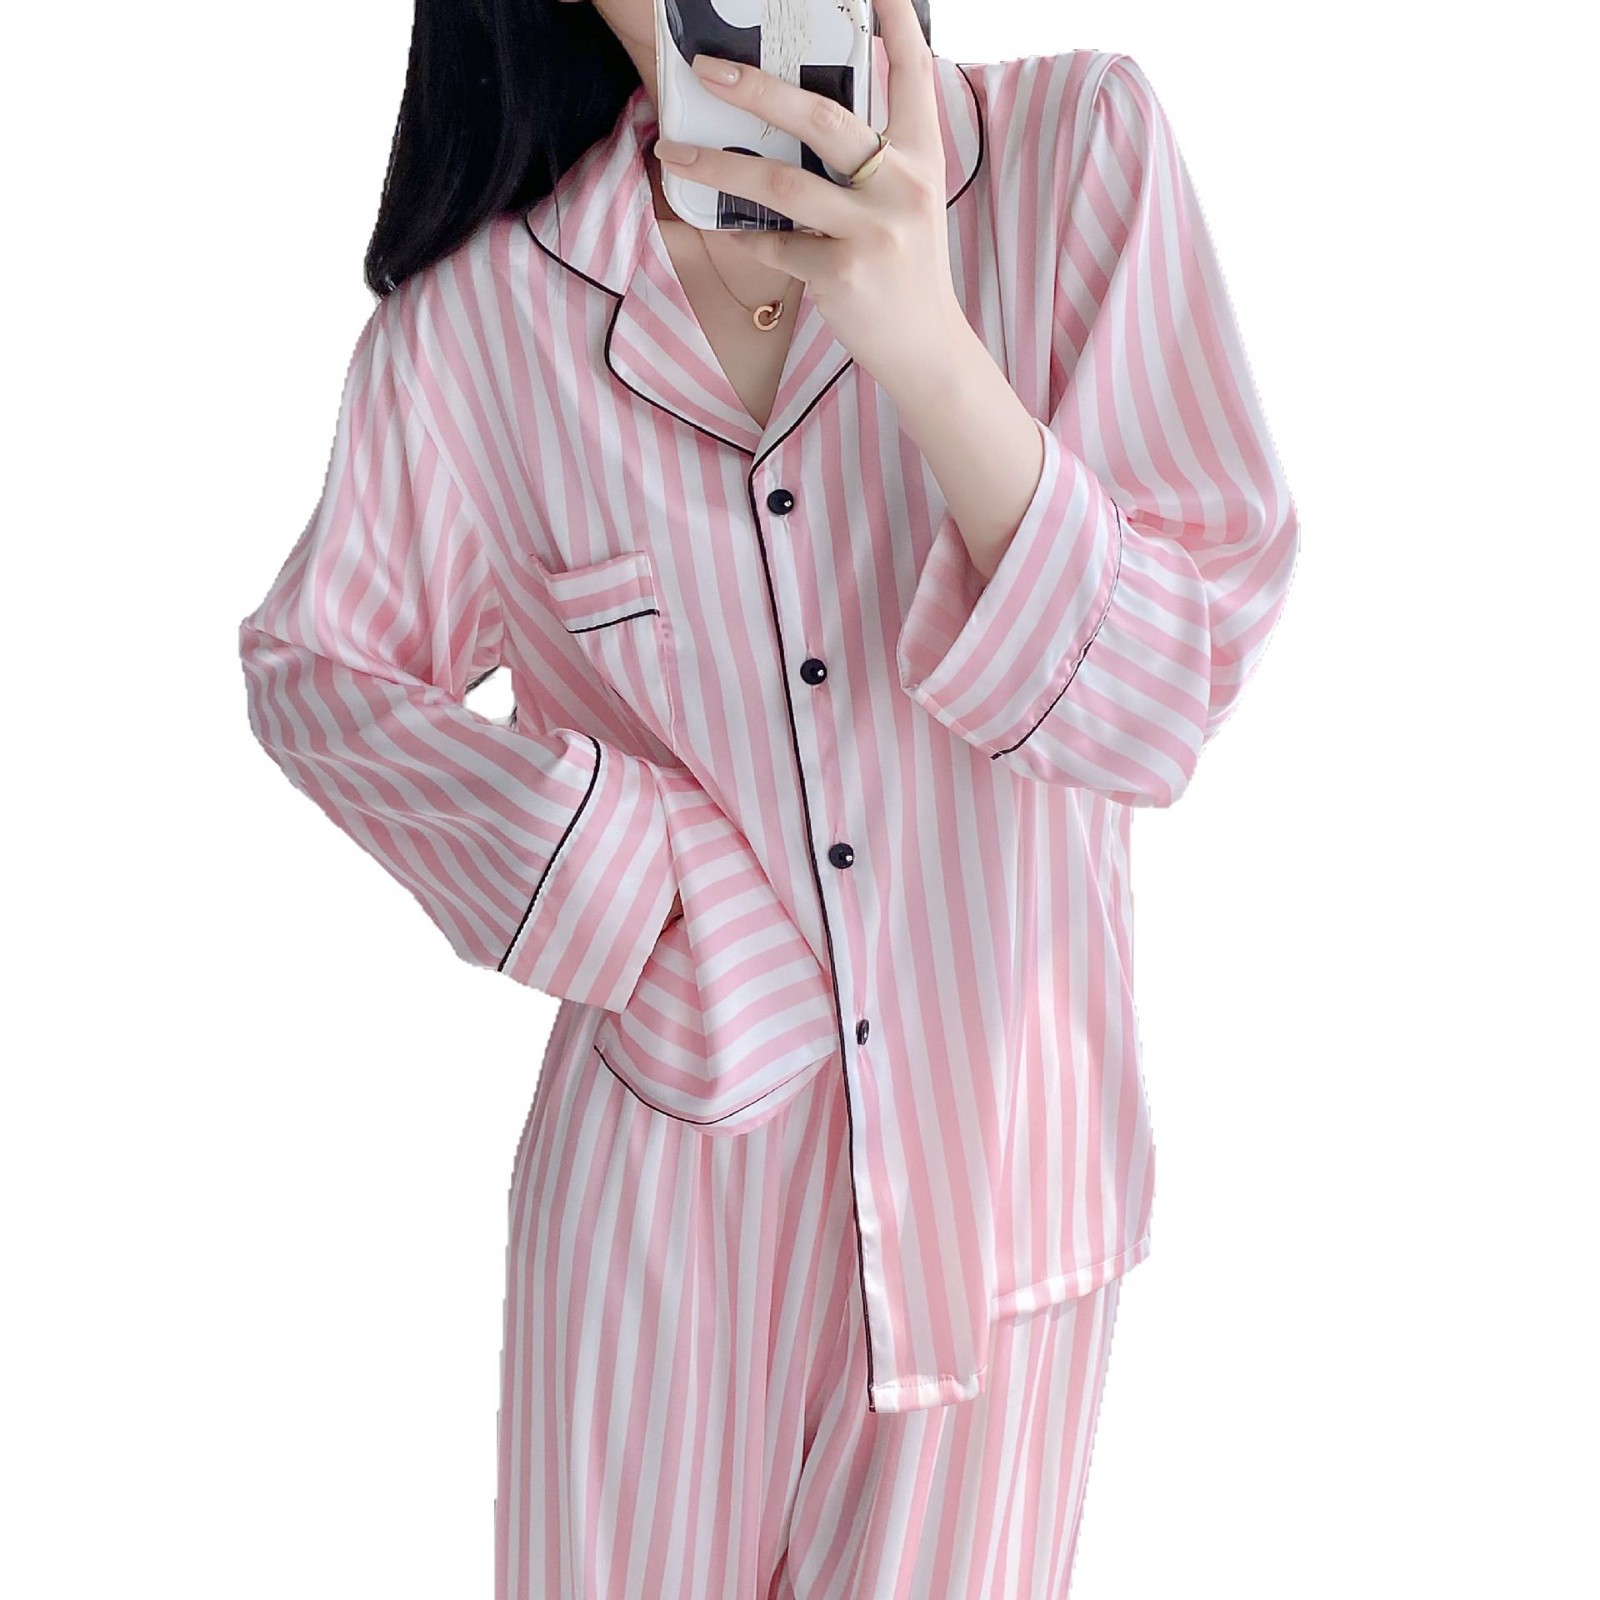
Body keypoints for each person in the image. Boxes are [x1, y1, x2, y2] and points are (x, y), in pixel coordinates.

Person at [236, 0, 1301, 1593]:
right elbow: (316, 667)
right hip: (660, 1219)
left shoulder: (1077, 160)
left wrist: (927, 346)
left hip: (1002, 1213)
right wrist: (637, 882)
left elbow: (1155, 709)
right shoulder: (478, 331)